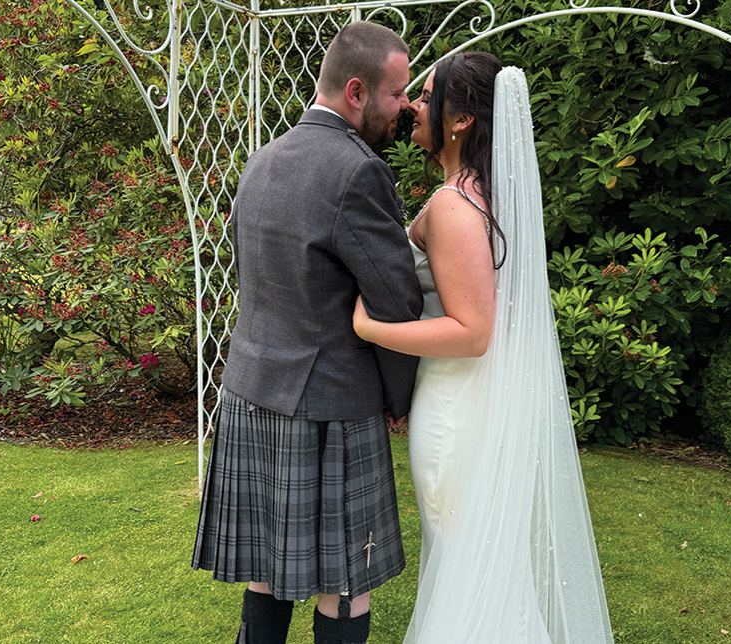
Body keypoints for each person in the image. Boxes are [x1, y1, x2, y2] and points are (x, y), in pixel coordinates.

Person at [353, 52, 614, 643]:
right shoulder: (483, 196)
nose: (415, 108)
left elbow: (472, 332)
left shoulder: (454, 204)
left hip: (456, 409)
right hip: (480, 404)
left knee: (465, 558)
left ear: (462, 118)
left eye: (426, 95)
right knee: (484, 560)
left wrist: (372, 330)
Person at [192, 22, 423, 644]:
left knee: (267, 570)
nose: (405, 107)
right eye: (398, 94)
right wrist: (400, 400)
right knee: (345, 582)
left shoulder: (263, 159)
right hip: (329, 403)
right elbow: (397, 302)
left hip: (249, 388)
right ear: (357, 91)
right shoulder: (359, 171)